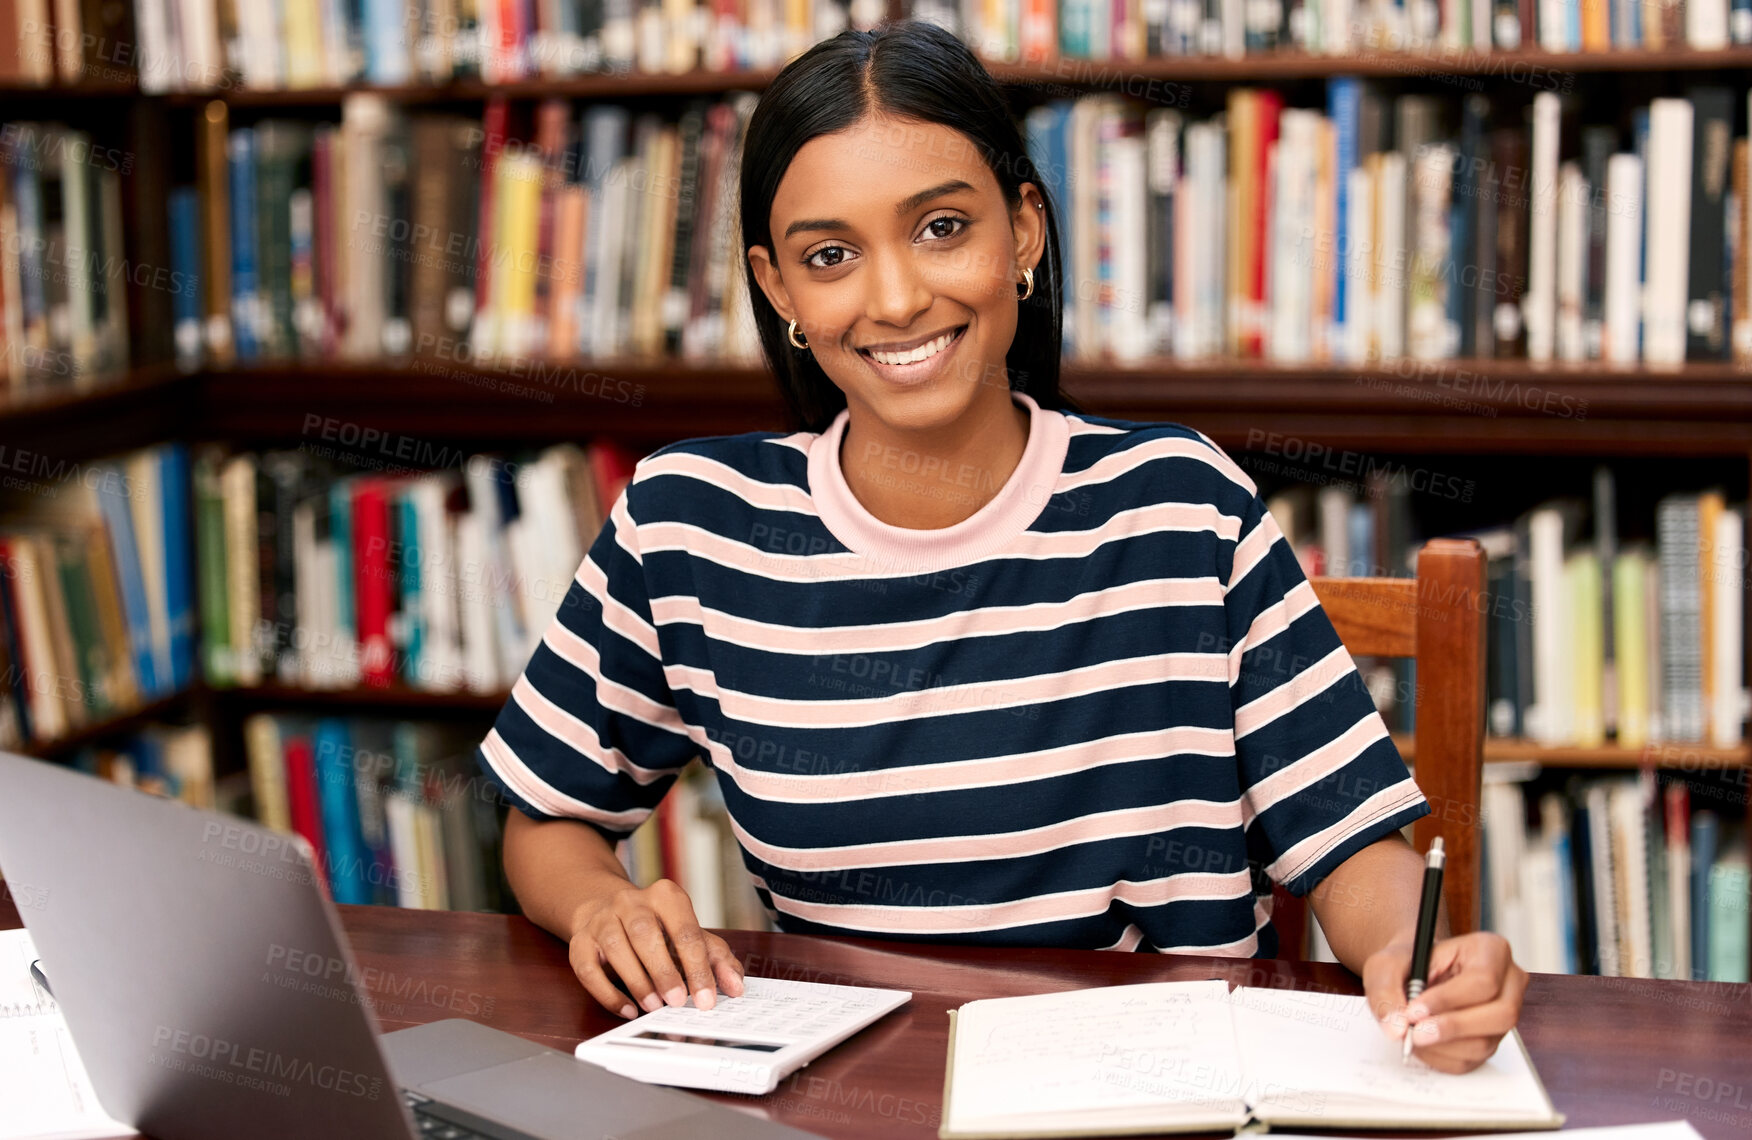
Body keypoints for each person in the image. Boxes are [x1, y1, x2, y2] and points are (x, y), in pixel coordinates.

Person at [473, 19, 1526, 1075]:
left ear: (1022, 232)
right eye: (831, 256)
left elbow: (1351, 846)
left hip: (1169, 1097)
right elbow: (545, 821)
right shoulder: (688, 524)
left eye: (940, 227)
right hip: (856, 1099)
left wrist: (1409, 954)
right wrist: (603, 907)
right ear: (781, 289)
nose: (894, 298)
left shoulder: (1179, 507)